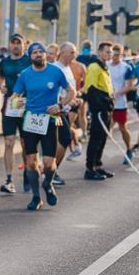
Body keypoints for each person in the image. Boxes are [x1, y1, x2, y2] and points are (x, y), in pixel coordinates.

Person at [10, 42, 75, 210]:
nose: (38, 55)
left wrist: (60, 106)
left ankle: (47, 183)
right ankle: (36, 197)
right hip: (30, 120)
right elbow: (14, 97)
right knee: (31, 161)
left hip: (51, 119)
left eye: (41, 52)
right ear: (30, 56)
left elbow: (71, 92)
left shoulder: (55, 71)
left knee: (48, 163)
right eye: (34, 53)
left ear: (46, 54)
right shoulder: (25, 74)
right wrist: (18, 102)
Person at [0, 33, 31, 194]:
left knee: (25, 143)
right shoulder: (5, 62)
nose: (16, 46)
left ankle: (28, 173)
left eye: (18, 43)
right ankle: (9, 180)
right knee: (8, 142)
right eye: (13, 43)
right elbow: (0, 79)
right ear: (9, 45)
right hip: (9, 106)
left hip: (25, 105)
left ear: (23, 45)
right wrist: (1, 86)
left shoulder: (28, 61)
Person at [83, 41, 115, 180]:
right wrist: (102, 103)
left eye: (111, 52)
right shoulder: (95, 67)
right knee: (95, 139)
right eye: (107, 51)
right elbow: (90, 89)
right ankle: (90, 169)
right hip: (98, 109)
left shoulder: (104, 67)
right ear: (100, 52)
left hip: (105, 108)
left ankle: (97, 166)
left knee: (102, 138)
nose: (110, 54)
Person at [53, 42, 81, 184]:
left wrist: (74, 100)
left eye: (75, 52)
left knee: (62, 139)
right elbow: (54, 92)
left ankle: (52, 171)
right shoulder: (56, 69)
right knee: (63, 138)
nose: (74, 55)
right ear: (63, 52)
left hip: (65, 109)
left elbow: (70, 91)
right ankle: (50, 172)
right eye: (72, 52)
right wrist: (66, 102)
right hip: (56, 111)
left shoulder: (68, 68)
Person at [108, 44, 137, 163]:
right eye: (112, 54)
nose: (114, 57)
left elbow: (129, 86)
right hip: (107, 102)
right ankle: (97, 157)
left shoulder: (126, 67)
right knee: (106, 128)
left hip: (120, 103)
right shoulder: (106, 65)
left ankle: (129, 149)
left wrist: (116, 93)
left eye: (117, 55)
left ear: (121, 55)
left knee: (122, 128)